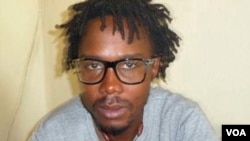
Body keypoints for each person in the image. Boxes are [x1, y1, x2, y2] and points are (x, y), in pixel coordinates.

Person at [30, 0, 219, 141]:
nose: (110, 87)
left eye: (129, 64)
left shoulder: (181, 124)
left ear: (153, 67)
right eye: (94, 65)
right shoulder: (54, 134)